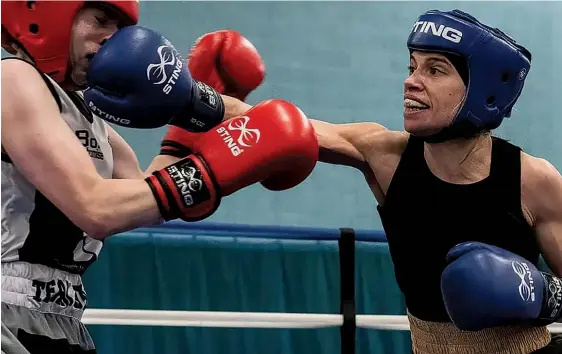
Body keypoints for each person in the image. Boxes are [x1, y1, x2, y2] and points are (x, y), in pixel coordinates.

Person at [170, 9, 562, 354]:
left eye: (435, 69)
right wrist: (183, 93)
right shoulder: (383, 155)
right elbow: (278, 126)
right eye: (411, 66)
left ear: (484, 91)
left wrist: (544, 296)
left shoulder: (532, 180)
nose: (411, 81)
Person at [1, 2, 318, 353]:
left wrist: (189, 140)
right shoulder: (13, 77)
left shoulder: (91, 120)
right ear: (44, 19)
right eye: (100, 20)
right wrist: (212, 171)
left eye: (119, 28)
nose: (111, 38)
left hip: (62, 317)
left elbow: (138, 196)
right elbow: (96, 207)